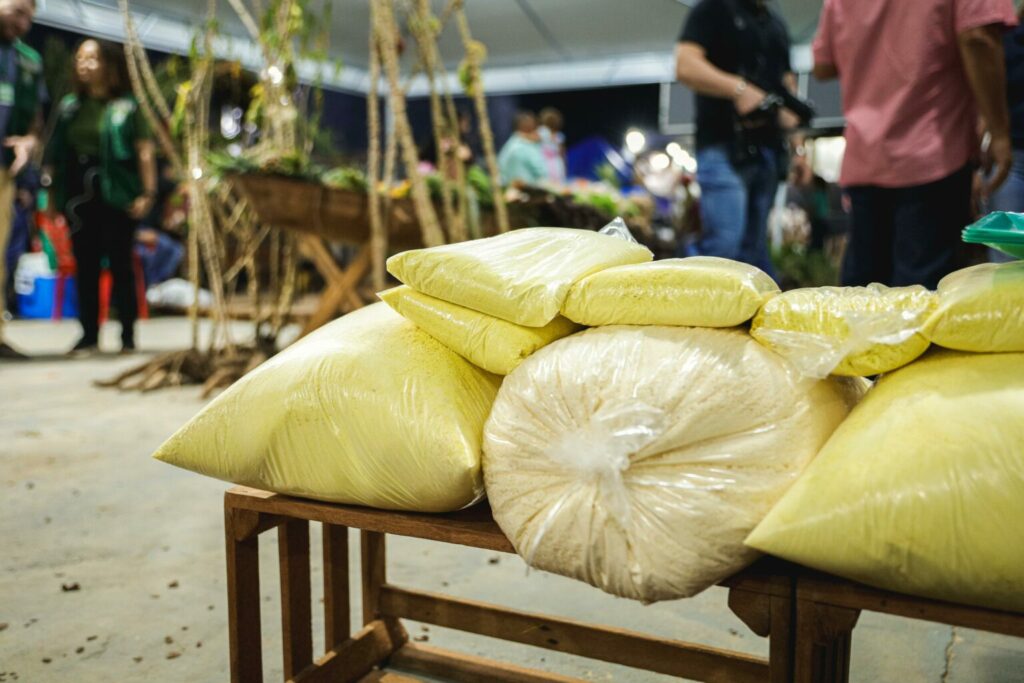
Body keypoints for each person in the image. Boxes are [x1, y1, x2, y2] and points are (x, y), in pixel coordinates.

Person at [813, 0, 1017, 289]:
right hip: (931, 156)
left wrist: (875, 46)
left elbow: (822, 65)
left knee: (863, 299)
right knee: (921, 301)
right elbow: (978, 37)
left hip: (866, 157)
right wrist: (999, 131)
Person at [675, 0, 806, 274]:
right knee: (724, 246)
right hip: (722, 144)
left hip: (768, 150)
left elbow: (787, 84)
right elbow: (686, 64)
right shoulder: (713, 9)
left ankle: (746, 316)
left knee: (755, 250)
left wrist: (798, 146)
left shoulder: (775, 24)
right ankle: (695, 309)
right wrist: (738, 89)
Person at [48, 39, 157, 355]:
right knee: (86, 263)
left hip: (117, 191)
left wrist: (148, 193)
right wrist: (53, 196)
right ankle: (89, 334)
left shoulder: (129, 106)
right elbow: (56, 154)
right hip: (78, 194)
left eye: (92, 58)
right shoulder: (70, 106)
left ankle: (127, 334)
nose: (84, 64)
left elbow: (144, 151)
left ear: (110, 65)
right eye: (80, 58)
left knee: (121, 263)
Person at [0, 0, 44, 359]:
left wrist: (29, 142)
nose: (24, 22)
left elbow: (35, 120)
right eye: (18, 11)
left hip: (5, 172)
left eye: (30, 16)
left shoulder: (27, 59)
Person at [984, 2, 1024, 261]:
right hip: (1011, 157)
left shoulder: (1005, 39)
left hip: (1010, 157)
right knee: (1006, 260)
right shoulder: (1006, 38)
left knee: (1006, 262)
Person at [497, 111, 547, 186]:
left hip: (509, 192)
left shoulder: (509, 145)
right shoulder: (526, 146)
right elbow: (542, 172)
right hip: (528, 192)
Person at [538, 107, 566, 185]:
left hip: (552, 163)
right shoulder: (542, 132)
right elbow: (562, 153)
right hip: (547, 163)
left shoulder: (558, 136)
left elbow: (562, 152)